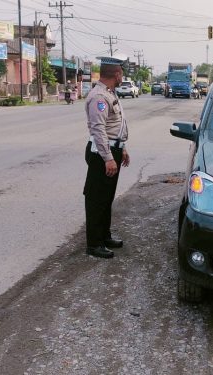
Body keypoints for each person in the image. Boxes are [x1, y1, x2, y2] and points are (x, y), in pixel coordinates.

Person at [83, 56, 131, 259]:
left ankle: (104, 236)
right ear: (117, 74)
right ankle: (94, 244)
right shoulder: (99, 97)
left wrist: (123, 148)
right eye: (122, 72)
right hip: (102, 153)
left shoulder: (109, 93)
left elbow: (115, 126)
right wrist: (108, 158)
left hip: (113, 150)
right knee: (97, 199)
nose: (123, 76)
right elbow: (99, 130)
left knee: (107, 198)